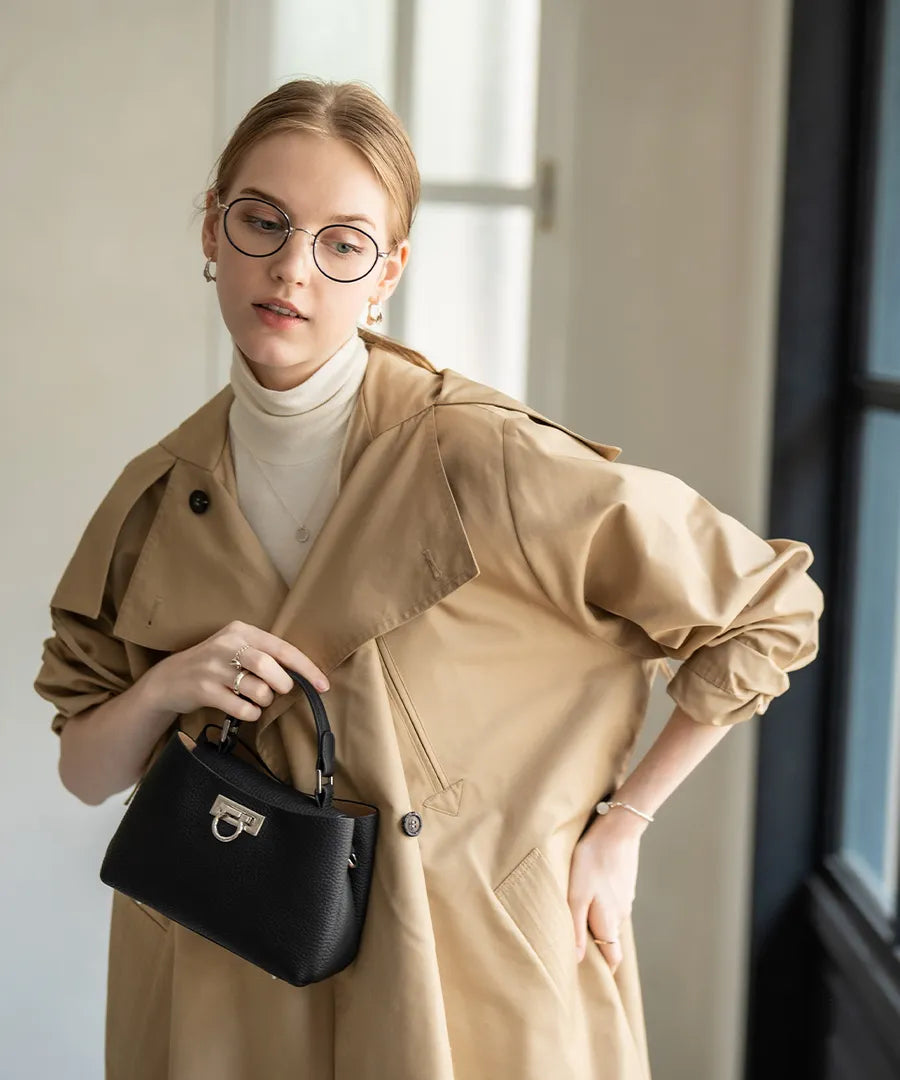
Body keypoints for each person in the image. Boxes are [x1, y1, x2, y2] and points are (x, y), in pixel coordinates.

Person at [33, 78, 824, 1080]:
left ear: (388, 271)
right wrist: (168, 686)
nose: (291, 269)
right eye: (261, 222)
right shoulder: (154, 497)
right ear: (211, 232)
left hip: (464, 985)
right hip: (220, 993)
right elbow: (86, 769)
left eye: (342, 242)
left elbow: (767, 611)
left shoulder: (479, 458)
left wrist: (622, 830)